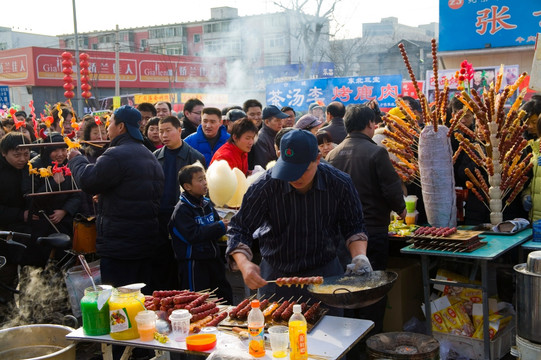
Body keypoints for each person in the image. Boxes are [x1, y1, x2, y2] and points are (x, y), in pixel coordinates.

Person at [226, 129, 370, 314]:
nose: (294, 177)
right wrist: (244, 263)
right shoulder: (265, 186)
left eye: (302, 170)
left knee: (329, 334)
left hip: (325, 273)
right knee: (276, 336)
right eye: (288, 170)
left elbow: (354, 224)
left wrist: (360, 257)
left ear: (317, 159)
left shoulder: (339, 183)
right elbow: (239, 228)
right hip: (276, 275)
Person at [326, 105, 406, 333]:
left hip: (343, 236)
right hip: (373, 231)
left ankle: (350, 340)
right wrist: (402, 210)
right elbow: (391, 190)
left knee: (347, 289)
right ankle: (371, 339)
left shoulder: (332, 154)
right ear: (370, 124)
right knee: (372, 290)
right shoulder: (376, 152)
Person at [68, 105, 164, 290]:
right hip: (145, 242)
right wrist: (107, 198)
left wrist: (76, 159)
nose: (108, 127)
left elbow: (88, 181)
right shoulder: (149, 156)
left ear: (121, 127)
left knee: (120, 303)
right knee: (141, 299)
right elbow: (134, 193)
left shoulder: (116, 154)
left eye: (110, 122)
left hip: (121, 246)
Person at [153, 115, 205, 291]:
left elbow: (202, 190)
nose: (164, 135)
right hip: (160, 218)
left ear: (179, 130)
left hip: (184, 217)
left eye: (168, 130)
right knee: (163, 264)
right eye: (161, 131)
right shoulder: (155, 157)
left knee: (184, 264)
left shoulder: (194, 157)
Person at [169, 164, 233, 303]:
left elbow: (217, 224)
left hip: (213, 259)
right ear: (187, 186)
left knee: (224, 297)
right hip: (194, 264)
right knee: (198, 301)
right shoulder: (182, 210)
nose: (205, 183)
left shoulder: (206, 204)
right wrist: (220, 226)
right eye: (199, 180)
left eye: (205, 178)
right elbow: (193, 235)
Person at [28, 132, 81, 267]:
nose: (60, 154)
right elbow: (32, 199)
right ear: (47, 150)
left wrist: (64, 210)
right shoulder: (34, 165)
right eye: (55, 150)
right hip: (42, 221)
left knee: (65, 259)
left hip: (64, 221)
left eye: (63, 149)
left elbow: (77, 194)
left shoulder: (69, 165)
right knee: (41, 261)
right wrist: (53, 183)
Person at [0, 133, 31, 321]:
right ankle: (6, 317)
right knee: (6, 276)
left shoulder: (31, 168)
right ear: (4, 153)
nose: (22, 159)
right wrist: (20, 214)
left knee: (29, 274)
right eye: (16, 155)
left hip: (26, 231)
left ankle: (27, 314)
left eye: (26, 154)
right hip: (3, 232)